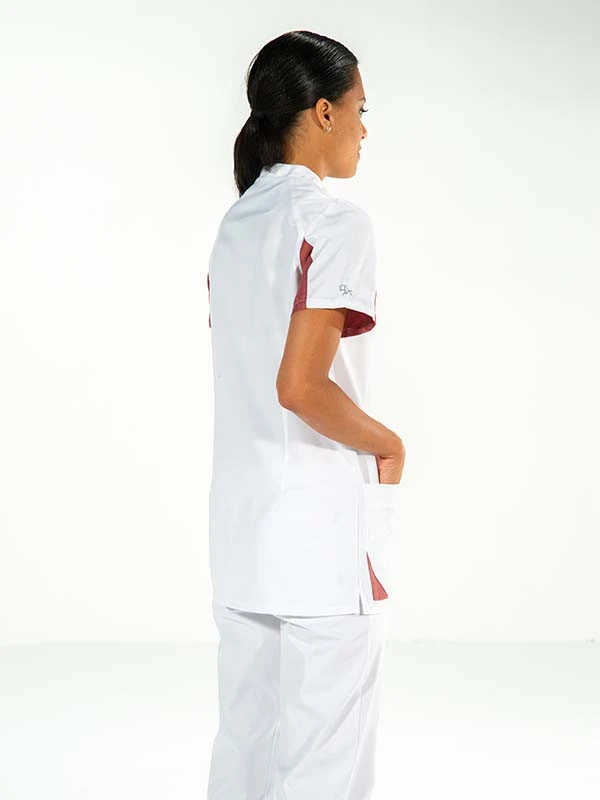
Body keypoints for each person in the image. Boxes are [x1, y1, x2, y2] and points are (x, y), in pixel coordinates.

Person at [205, 29, 406, 800]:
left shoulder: (236, 227)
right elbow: (300, 386)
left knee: (246, 754)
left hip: (242, 533)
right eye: (360, 110)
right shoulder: (335, 224)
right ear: (323, 112)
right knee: (327, 765)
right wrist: (389, 444)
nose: (364, 129)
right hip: (321, 535)